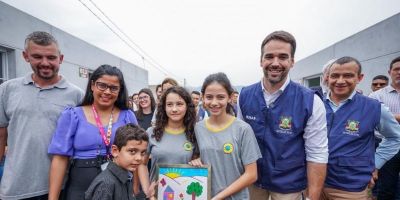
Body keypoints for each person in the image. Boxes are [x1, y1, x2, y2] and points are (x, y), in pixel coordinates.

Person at [237, 30, 329, 200]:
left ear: (292, 61)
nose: (275, 62)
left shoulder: (310, 101)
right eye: (269, 56)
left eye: (283, 57)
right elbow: (240, 141)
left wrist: (313, 197)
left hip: (289, 187)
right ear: (261, 60)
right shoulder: (244, 95)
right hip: (252, 182)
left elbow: (317, 153)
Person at [0, 31, 83, 199]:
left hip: (60, 186)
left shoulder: (77, 95)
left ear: (60, 58)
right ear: (25, 56)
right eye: (37, 56)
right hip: (15, 187)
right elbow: (1, 135)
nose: (45, 63)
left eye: (51, 58)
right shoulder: (7, 90)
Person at [48, 65, 138, 200]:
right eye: (102, 85)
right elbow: (60, 158)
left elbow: (136, 153)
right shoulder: (72, 115)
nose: (107, 91)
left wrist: (135, 187)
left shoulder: (127, 116)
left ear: (120, 91)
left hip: (117, 184)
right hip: (80, 186)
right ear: (92, 85)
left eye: (113, 88)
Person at [321, 56, 400, 199]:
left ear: (359, 78)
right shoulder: (314, 104)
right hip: (313, 182)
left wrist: (376, 164)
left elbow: (395, 137)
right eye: (335, 76)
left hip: (349, 187)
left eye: (348, 75)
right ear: (327, 78)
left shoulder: (374, 107)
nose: (340, 80)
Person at [190, 72, 261, 199]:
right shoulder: (198, 128)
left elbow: (251, 174)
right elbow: (199, 158)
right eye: (209, 97)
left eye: (220, 97)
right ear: (203, 98)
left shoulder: (243, 129)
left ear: (230, 97)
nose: (214, 102)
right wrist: (195, 161)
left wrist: (219, 197)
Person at [138, 86, 198, 198]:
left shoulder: (195, 134)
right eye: (169, 104)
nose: (174, 109)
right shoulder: (151, 132)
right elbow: (141, 163)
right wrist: (147, 191)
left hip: (184, 195)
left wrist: (197, 161)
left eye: (179, 104)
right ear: (164, 107)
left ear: (187, 106)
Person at [84, 124, 149, 200]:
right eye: (132, 151)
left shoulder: (127, 176)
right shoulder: (106, 184)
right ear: (115, 151)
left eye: (143, 153)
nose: (139, 158)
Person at [369, 56, 400, 200]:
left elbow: (384, 117)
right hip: (386, 145)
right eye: (397, 69)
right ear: (390, 72)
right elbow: (374, 118)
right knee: (387, 186)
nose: (399, 72)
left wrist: (389, 116)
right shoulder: (376, 96)